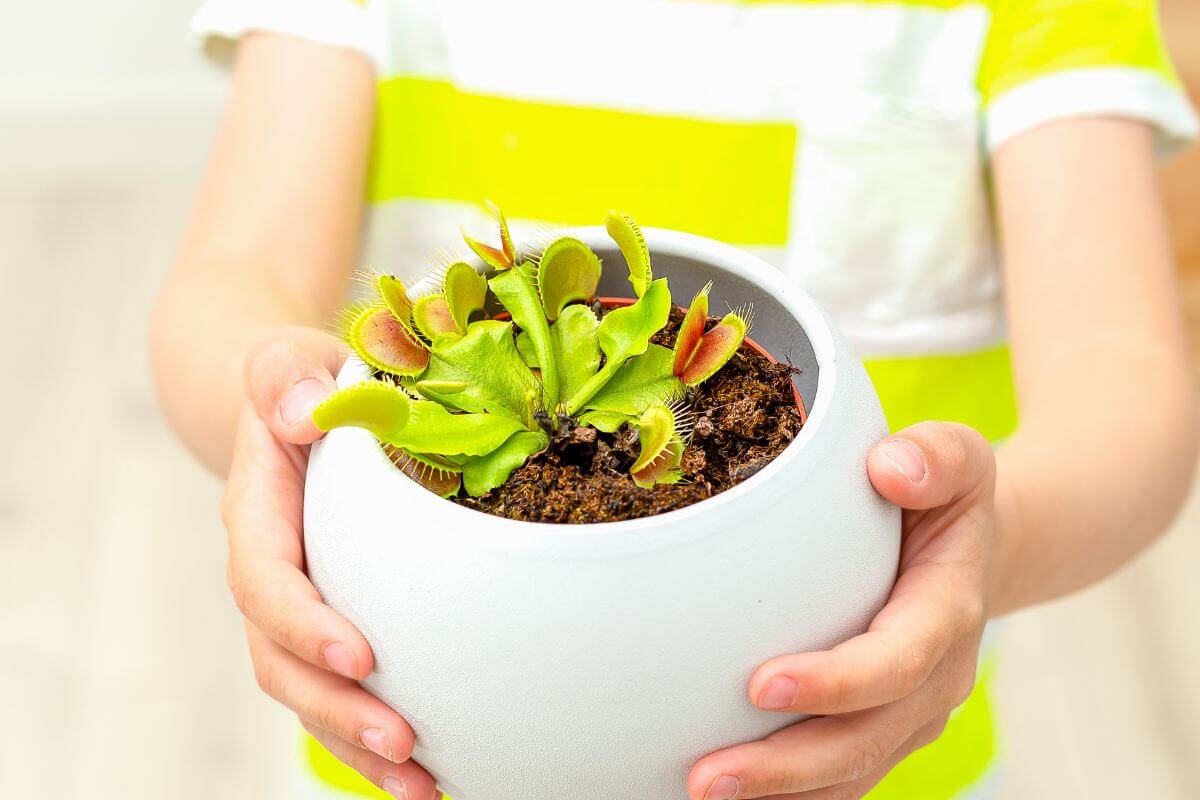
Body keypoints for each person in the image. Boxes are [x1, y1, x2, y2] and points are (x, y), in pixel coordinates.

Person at [150, 1, 1198, 798]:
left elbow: (1123, 385)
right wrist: (285, 417)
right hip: (419, 749)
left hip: (866, 755)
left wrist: (986, 537)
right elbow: (234, 281)